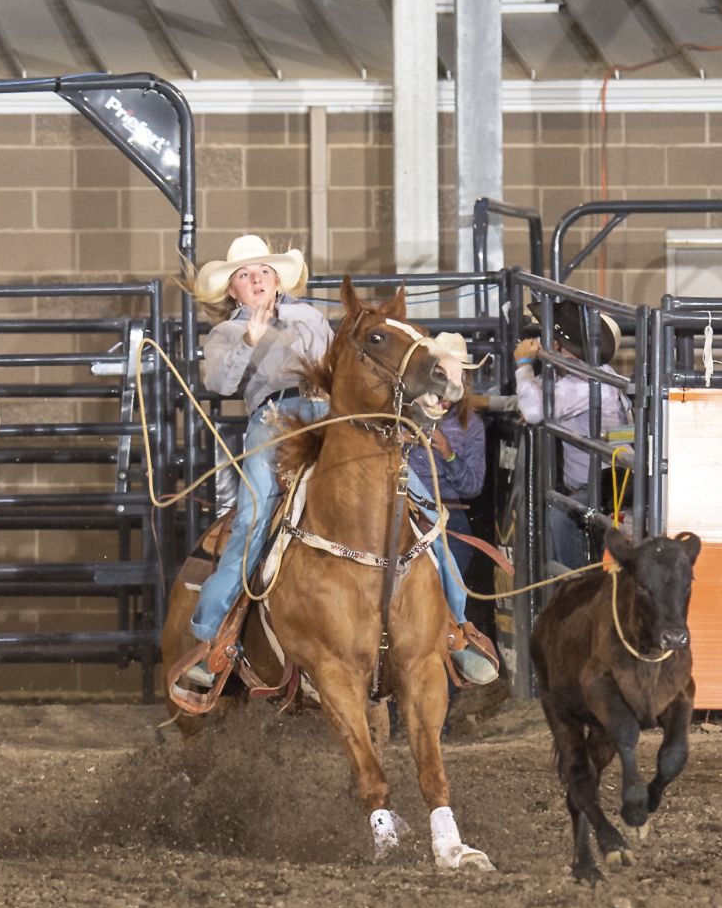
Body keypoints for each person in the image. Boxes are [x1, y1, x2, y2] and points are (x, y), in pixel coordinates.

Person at [177, 237, 498, 689]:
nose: (257, 281)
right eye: (245, 276)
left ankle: (457, 629)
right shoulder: (226, 333)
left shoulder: (308, 316)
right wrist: (249, 339)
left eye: (263, 273)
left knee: (424, 509)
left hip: (332, 413)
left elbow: (341, 366)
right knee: (252, 520)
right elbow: (220, 382)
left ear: (276, 281)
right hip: (273, 420)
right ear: (233, 290)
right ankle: (213, 638)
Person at [513, 300, 632, 570]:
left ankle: (577, 589)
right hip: (604, 482)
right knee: (562, 510)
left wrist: (523, 364)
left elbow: (533, 411)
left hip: (604, 487)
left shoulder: (585, 384)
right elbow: (540, 403)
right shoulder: (590, 376)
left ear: (560, 346)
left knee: (560, 514)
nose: (548, 346)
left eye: (554, 340)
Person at [408, 333, 487, 576]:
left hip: (447, 513)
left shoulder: (470, 425)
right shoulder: (402, 413)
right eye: (442, 374)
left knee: (456, 554)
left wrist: (448, 454)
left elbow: (473, 487)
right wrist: (397, 442)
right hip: (405, 509)